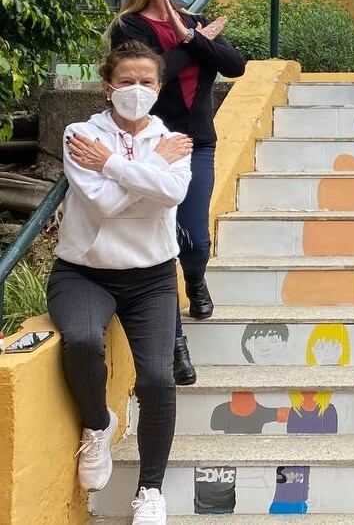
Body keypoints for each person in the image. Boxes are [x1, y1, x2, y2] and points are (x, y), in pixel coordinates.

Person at [51, 41, 192, 524]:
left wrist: (111, 166)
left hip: (152, 278)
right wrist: (144, 181)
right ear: (108, 86)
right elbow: (102, 205)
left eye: (146, 82)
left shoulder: (173, 139)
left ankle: (150, 490)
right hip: (84, 272)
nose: (136, 90)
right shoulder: (80, 134)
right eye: (126, 81)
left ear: (160, 86)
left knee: (156, 378)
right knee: (83, 340)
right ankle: (98, 425)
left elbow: (171, 193)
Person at [109, 0, 246, 387]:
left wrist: (191, 36)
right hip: (151, 146)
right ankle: (176, 347)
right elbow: (154, 74)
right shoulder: (130, 27)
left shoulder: (189, 19)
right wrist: (196, 42)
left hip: (198, 143)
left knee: (196, 238)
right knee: (163, 241)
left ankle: (197, 279)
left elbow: (236, 66)